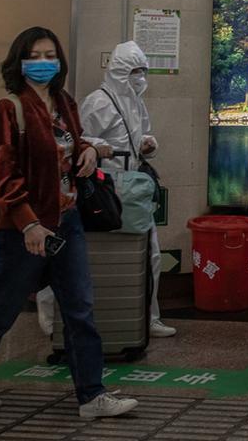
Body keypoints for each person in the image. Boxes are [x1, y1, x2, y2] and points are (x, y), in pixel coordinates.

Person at [0, 27, 138, 420]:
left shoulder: (64, 103)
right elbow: (2, 177)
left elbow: (70, 145)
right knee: (2, 308)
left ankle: (92, 395)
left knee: (80, 308)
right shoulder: (9, 108)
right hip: (25, 230)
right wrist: (29, 224)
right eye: (35, 55)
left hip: (67, 221)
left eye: (51, 55)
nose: (44, 62)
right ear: (20, 61)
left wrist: (87, 153)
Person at [58, 41, 171, 340]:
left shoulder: (135, 101)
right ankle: (99, 316)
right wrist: (99, 148)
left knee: (151, 254)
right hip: (103, 186)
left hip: (132, 185)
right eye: (135, 71)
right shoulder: (98, 102)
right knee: (104, 254)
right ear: (120, 71)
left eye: (143, 71)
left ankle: (149, 316)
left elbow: (142, 133)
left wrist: (150, 143)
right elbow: (77, 140)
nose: (140, 78)